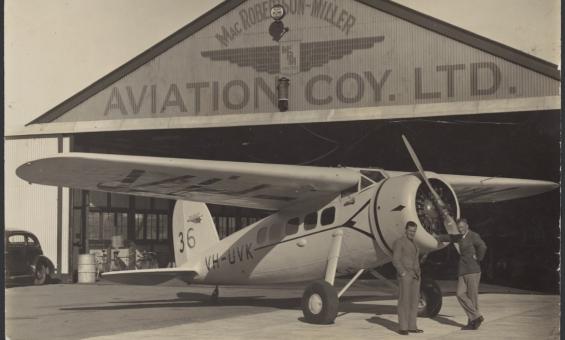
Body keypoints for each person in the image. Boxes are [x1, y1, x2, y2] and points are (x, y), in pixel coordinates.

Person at [436, 218, 487, 330]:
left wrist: (478, 258)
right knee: (460, 294)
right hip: (463, 271)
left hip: (473, 270)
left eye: (463, 227)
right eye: (459, 228)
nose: (461, 229)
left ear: (467, 226)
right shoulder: (460, 237)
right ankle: (477, 317)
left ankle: (472, 323)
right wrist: (437, 237)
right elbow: (450, 237)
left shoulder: (473, 235)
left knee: (472, 298)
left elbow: (482, 246)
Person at [392, 221, 424, 335]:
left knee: (414, 302)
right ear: (405, 230)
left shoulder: (415, 244)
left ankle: (412, 326)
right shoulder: (399, 242)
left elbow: (416, 261)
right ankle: (403, 327)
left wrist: (419, 274)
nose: (412, 233)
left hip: (415, 276)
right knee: (404, 301)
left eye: (414, 231)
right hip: (405, 275)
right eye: (410, 230)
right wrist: (403, 273)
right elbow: (395, 260)